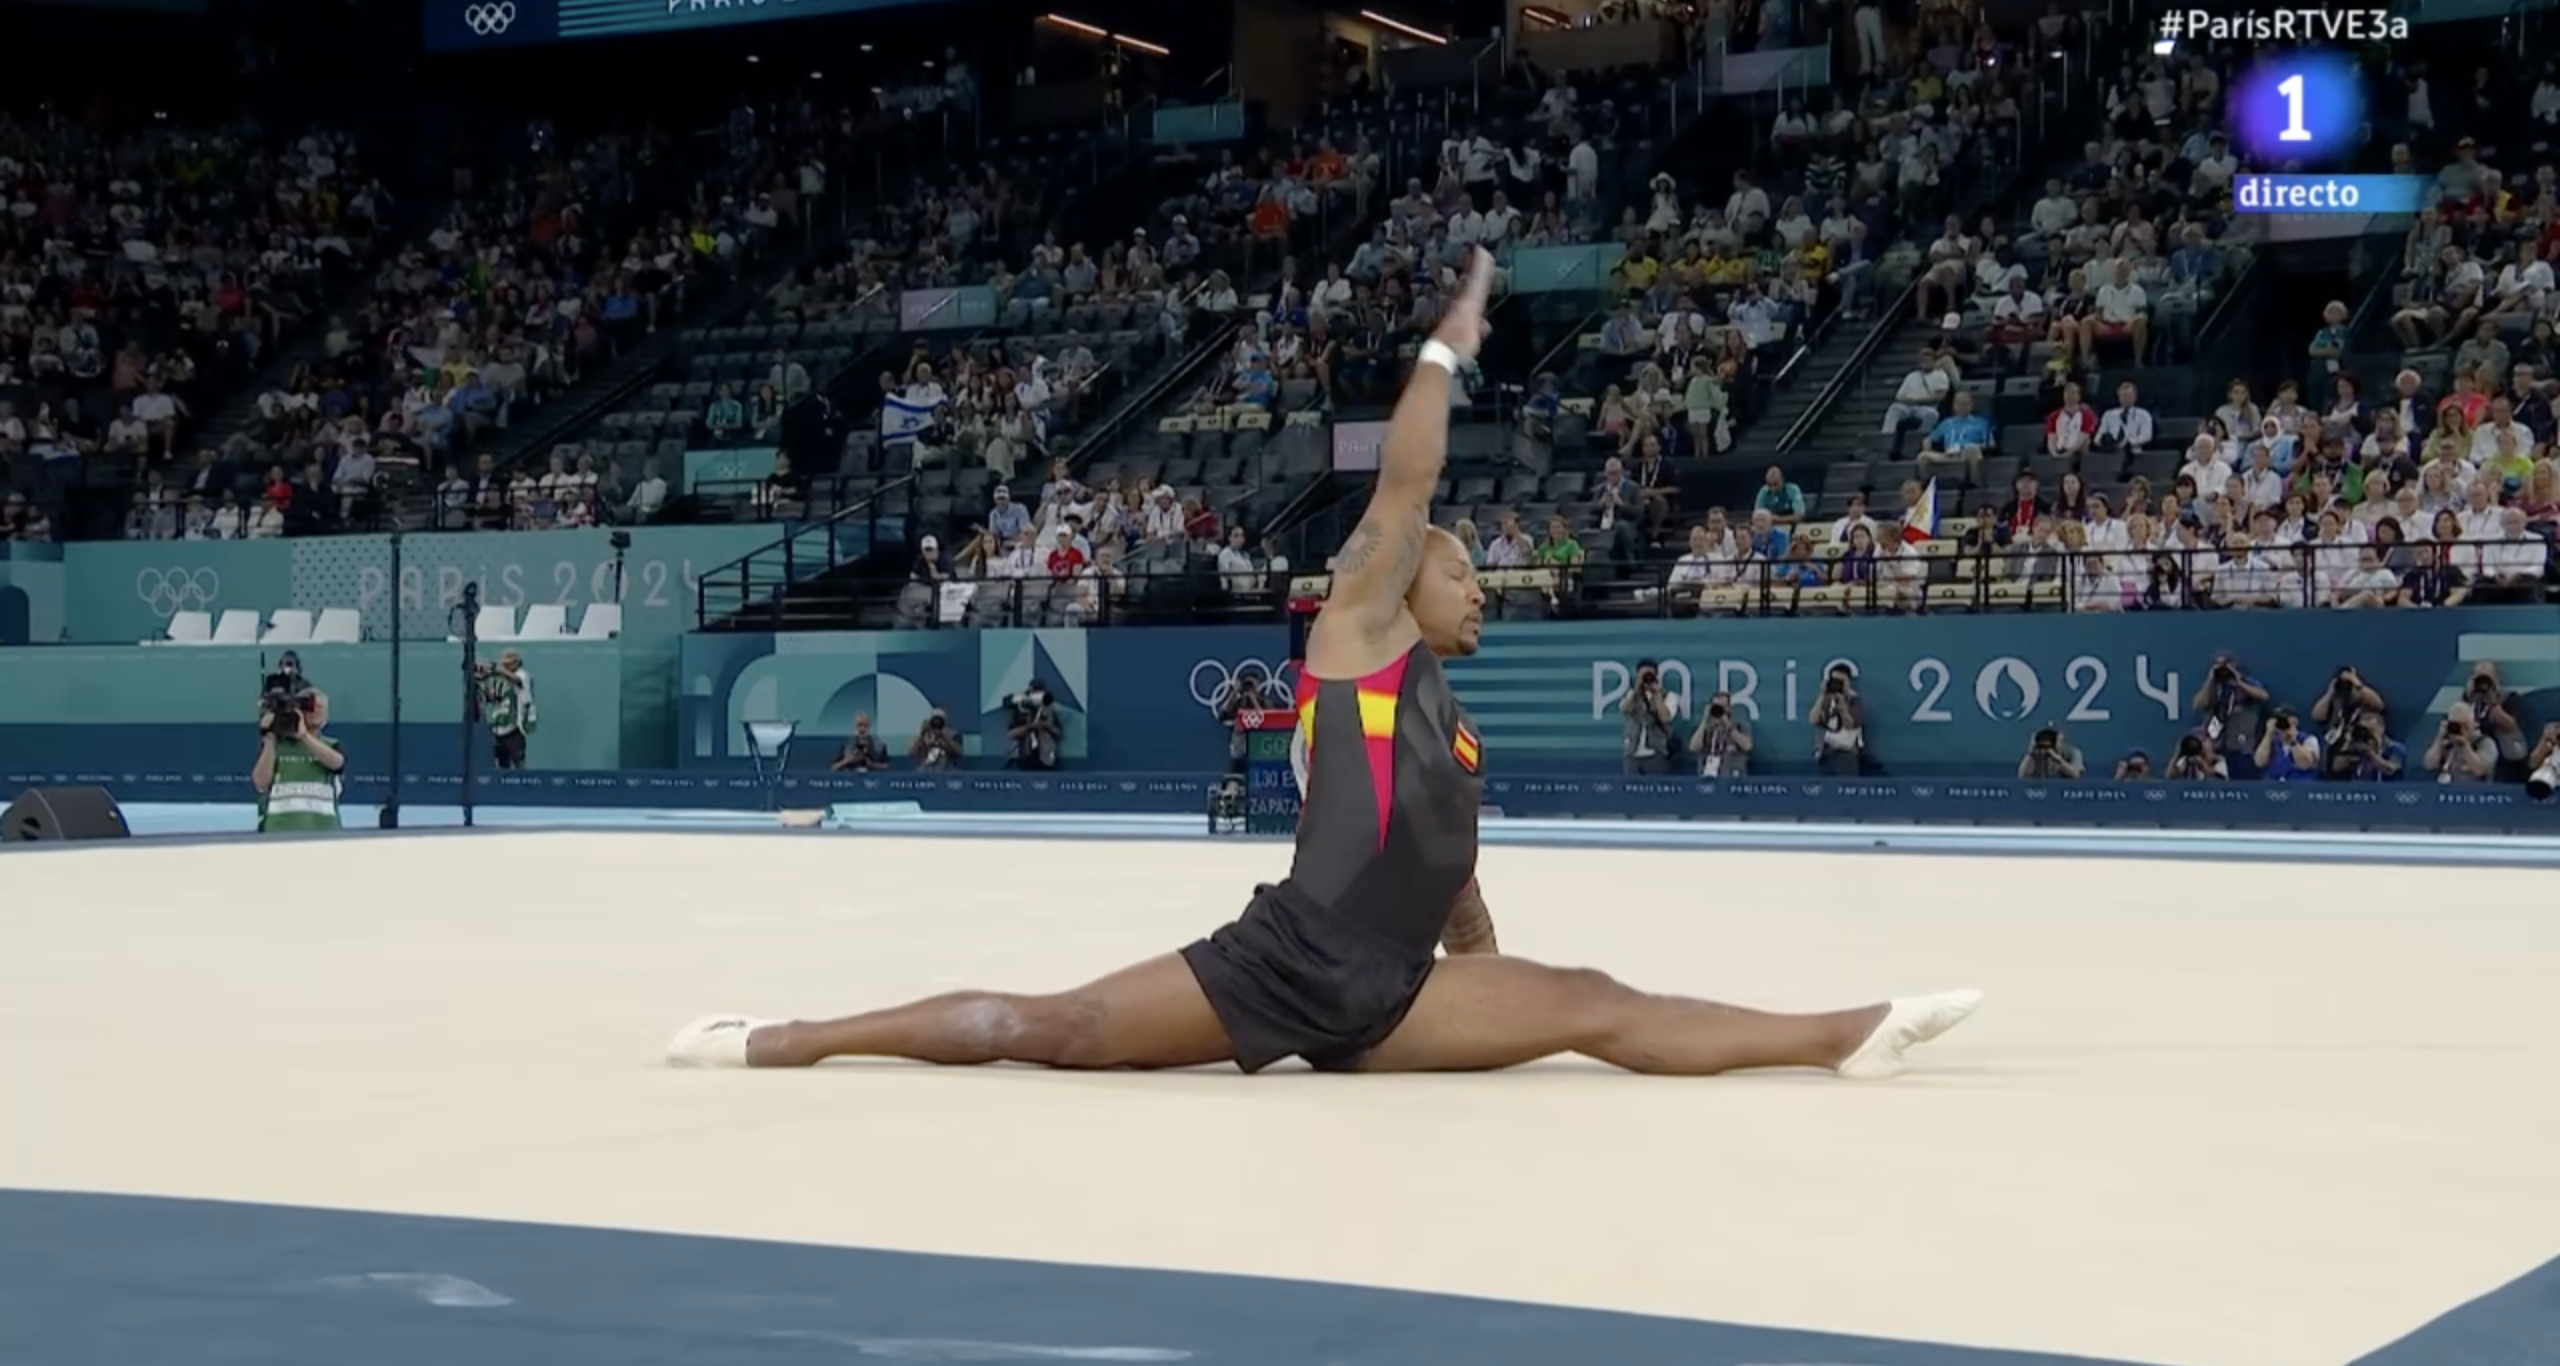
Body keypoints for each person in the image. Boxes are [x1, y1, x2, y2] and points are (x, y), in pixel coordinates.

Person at [666, 250, 1980, 1077]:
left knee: (1596, 1003)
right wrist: (1446, 346)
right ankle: (789, 1037)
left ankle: (1846, 1032)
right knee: (1049, 1029)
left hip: (1396, 992)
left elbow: (1455, 888)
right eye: (1462, 574)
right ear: (1406, 583)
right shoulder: (1358, 638)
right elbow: (1408, 482)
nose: (1481, 589)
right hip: (1287, 956)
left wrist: (1493, 975)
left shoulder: (1451, 721)